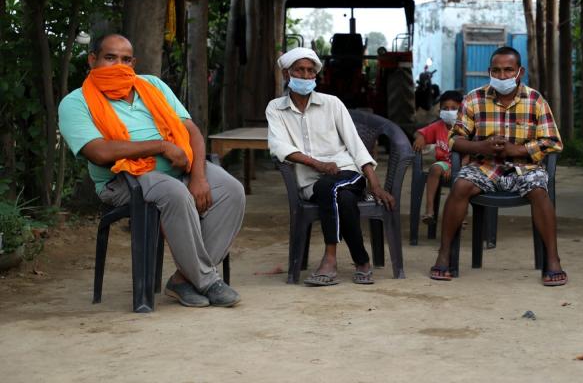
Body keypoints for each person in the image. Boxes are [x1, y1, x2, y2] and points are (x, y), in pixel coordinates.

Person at [58, 34, 244, 308]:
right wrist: (161, 146)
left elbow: (190, 130)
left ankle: (183, 279)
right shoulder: (76, 103)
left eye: (125, 59)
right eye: (110, 58)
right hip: (122, 180)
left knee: (232, 191)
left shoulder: (151, 85)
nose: (118, 65)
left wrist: (200, 176)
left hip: (180, 169)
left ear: (133, 62)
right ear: (92, 59)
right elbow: (99, 153)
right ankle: (207, 281)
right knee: (174, 192)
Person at [428, 47, 565, 286]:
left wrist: (517, 150)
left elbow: (552, 142)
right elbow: (454, 139)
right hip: (485, 165)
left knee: (540, 192)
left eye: (508, 70)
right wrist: (482, 146)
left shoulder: (535, 100)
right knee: (460, 186)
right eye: (497, 70)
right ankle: (444, 254)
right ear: (489, 71)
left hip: (525, 167)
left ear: (519, 72)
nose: (502, 76)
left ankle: (553, 260)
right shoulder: (474, 99)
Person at [266, 47, 395, 286]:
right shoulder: (276, 108)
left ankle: (330, 259)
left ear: (315, 76)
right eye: (299, 70)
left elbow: (355, 145)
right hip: (310, 181)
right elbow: (279, 147)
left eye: (310, 71)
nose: (305, 76)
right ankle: (362, 261)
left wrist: (374, 183)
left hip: (348, 172)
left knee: (330, 188)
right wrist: (317, 164)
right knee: (341, 198)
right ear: (287, 74)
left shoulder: (332, 104)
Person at [412, 90, 464, 225]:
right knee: (434, 169)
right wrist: (421, 138)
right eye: (445, 108)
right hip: (443, 164)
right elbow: (420, 133)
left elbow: (471, 154)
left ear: (461, 109)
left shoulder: (466, 128)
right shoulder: (438, 126)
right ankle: (429, 210)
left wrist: (455, 168)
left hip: (464, 165)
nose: (449, 111)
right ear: (440, 109)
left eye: (454, 108)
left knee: (464, 183)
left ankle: (461, 216)